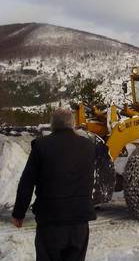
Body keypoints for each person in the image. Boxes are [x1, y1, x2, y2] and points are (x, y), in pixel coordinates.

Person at [11, 108, 97, 261]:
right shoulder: (88, 147)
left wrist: (19, 213)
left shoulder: (41, 146)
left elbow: (27, 183)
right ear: (73, 124)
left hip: (50, 222)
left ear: (52, 125)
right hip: (79, 222)